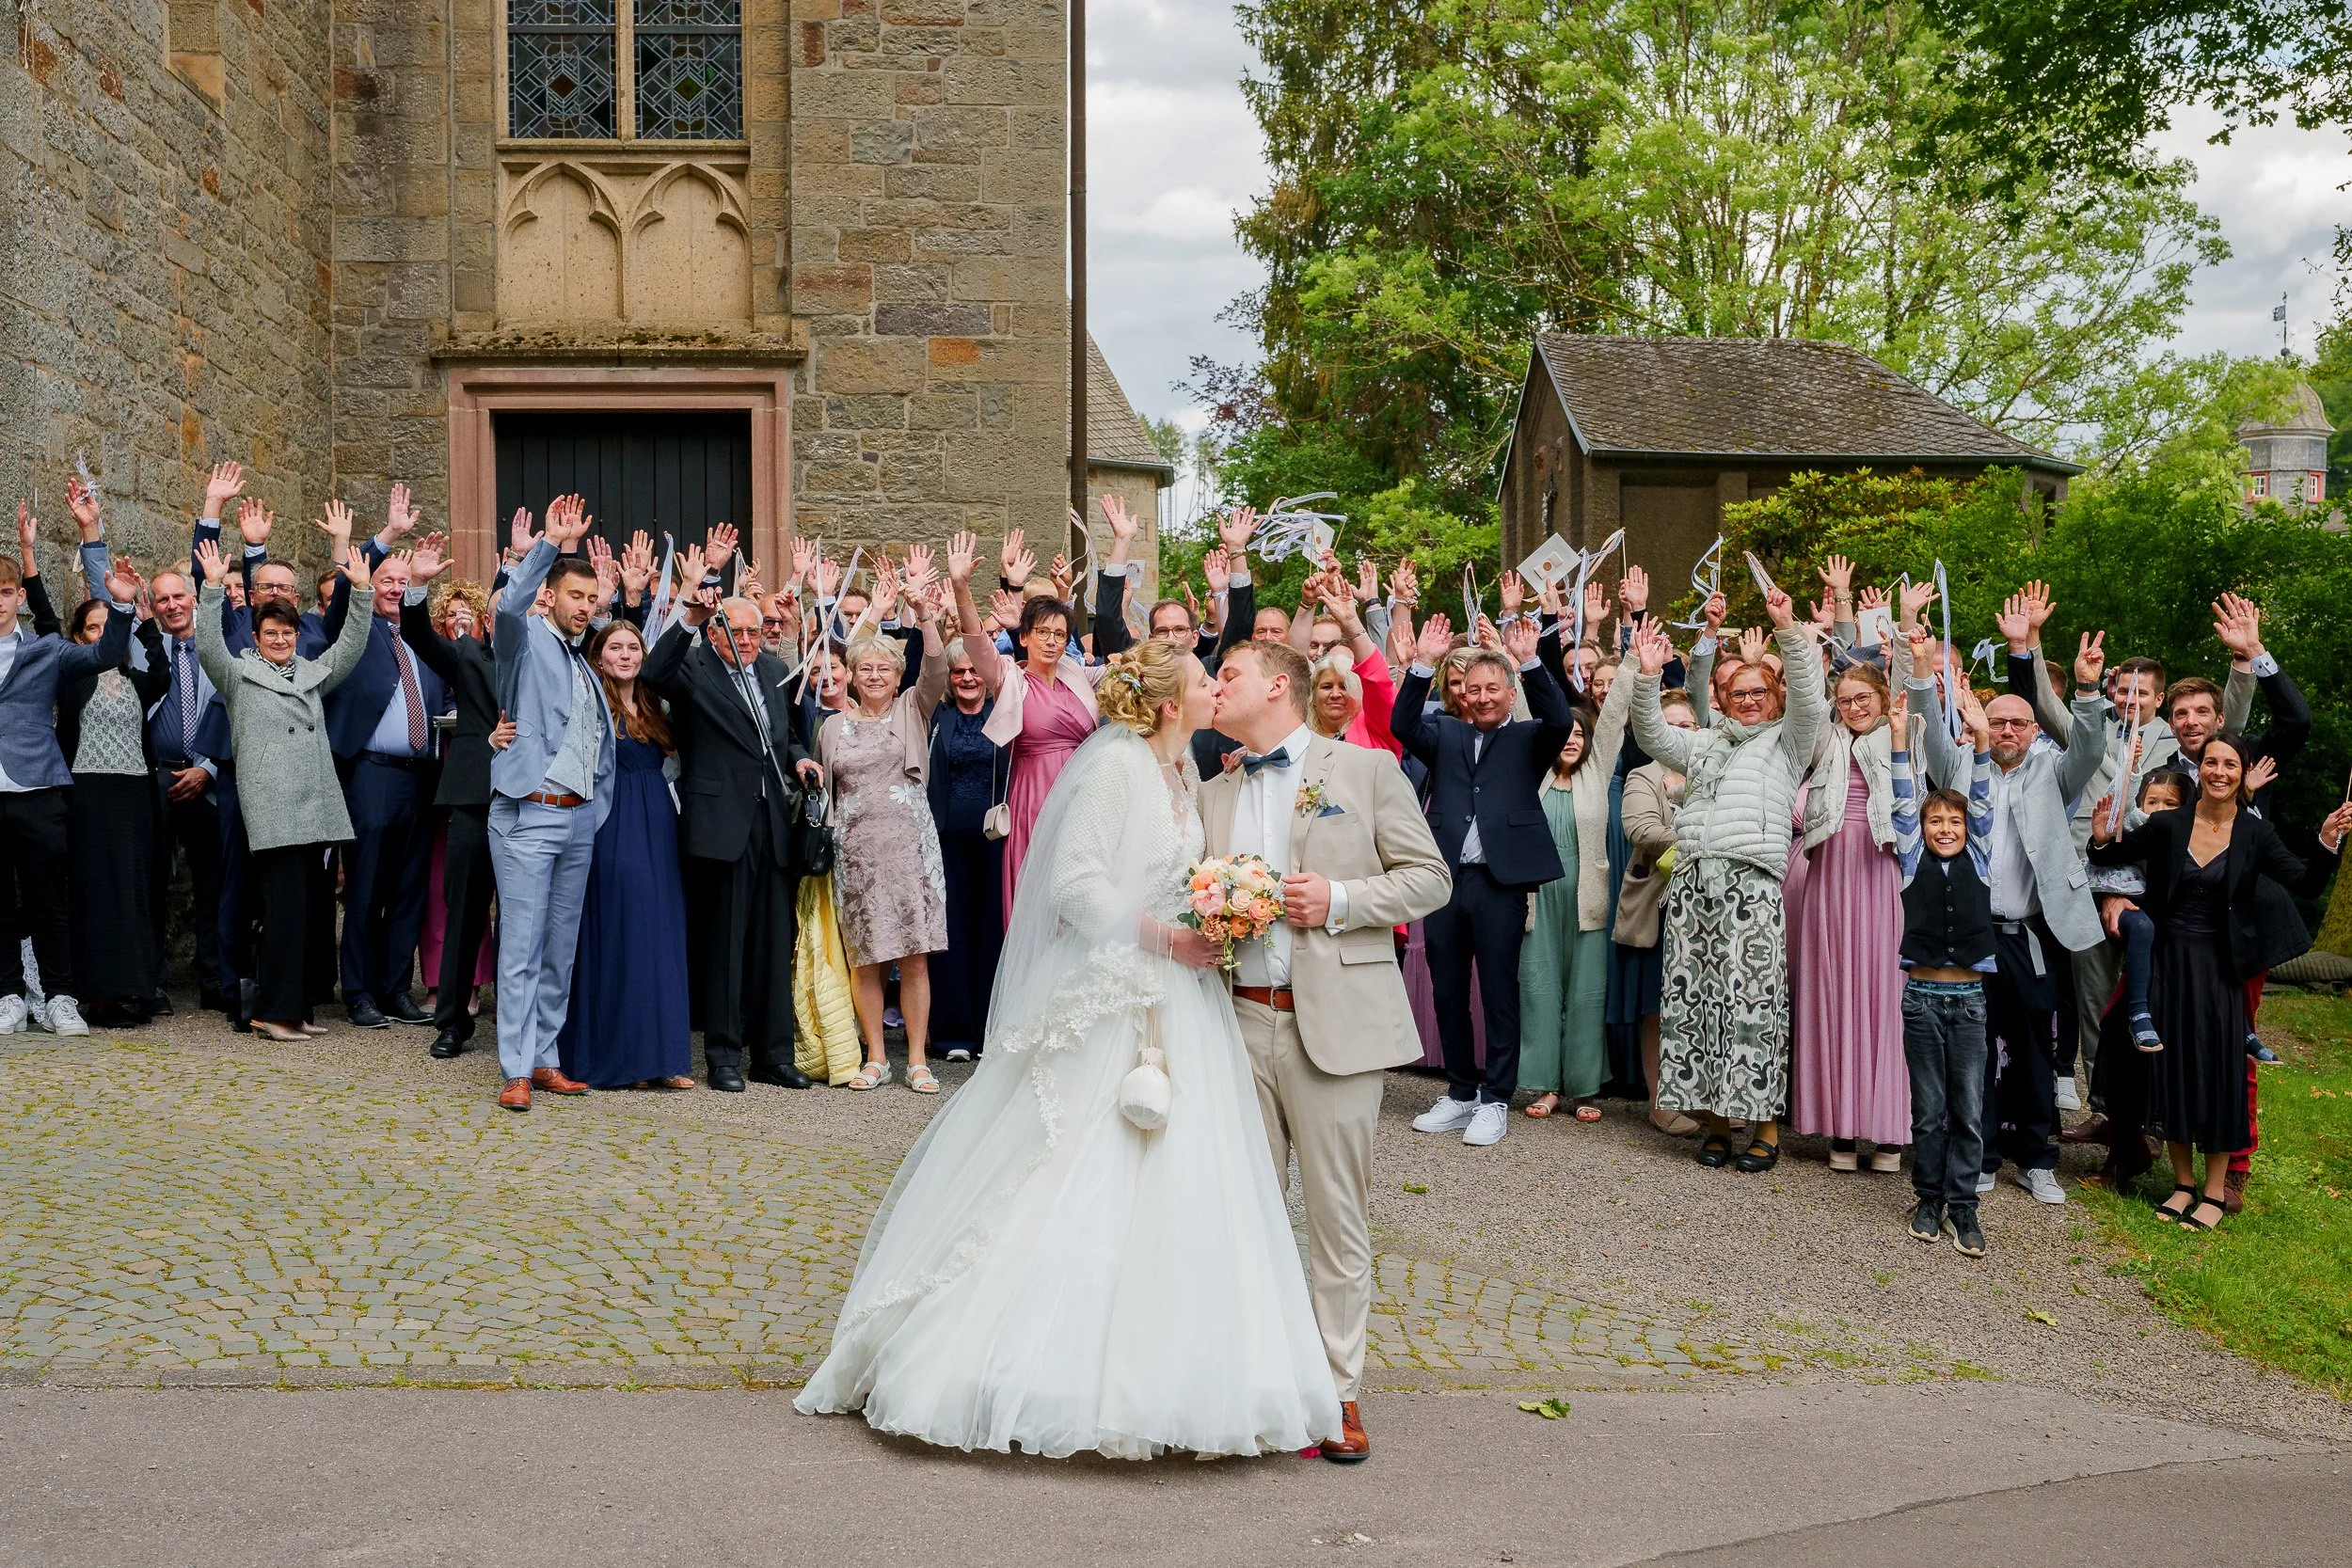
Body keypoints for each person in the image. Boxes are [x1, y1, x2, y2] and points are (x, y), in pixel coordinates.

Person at [797, 638, 1348, 1461]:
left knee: (1184, 1183)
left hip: (1181, 1001)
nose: (1211, 688)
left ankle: (1174, 1373)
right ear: (1171, 704)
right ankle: (1025, 1368)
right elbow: (1075, 886)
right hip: (1116, 992)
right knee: (1074, 1166)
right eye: (1203, 680)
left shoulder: (1184, 773)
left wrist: (1214, 918)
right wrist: (1170, 937)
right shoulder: (1119, 766)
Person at [1200, 635, 1450, 1460]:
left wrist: (1339, 897)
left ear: (1278, 685)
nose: (1215, 682)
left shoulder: (1366, 771)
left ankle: (1339, 1390)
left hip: (1334, 1026)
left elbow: (1430, 878)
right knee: (1249, 1214)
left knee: (1337, 1218)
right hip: (1234, 1021)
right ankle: (1258, 1383)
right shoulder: (1213, 791)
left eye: (1227, 671)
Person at [2088, 735, 2348, 1232]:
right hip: (2168, 963)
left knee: (2219, 1075)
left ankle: (2213, 1190)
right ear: (2200, 768)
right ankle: (2182, 1183)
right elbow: (2106, 857)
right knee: (2174, 1072)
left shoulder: (2256, 833)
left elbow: (2307, 884)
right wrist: (2101, 836)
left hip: (2222, 969)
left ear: (2241, 771)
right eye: (2211, 762)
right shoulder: (2169, 824)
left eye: (2230, 764)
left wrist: (2325, 840)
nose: (2220, 772)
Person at [1911, 619, 2110, 1206]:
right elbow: (1928, 737)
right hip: (1970, 935)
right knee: (1975, 1048)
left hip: (2028, 934)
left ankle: (2039, 1158)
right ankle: (1984, 1155)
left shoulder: (2054, 772)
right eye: (1996, 721)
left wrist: (2088, 691)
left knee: (2032, 1050)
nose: (2005, 731)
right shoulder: (1960, 769)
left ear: (2031, 731)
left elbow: (2092, 749)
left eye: (2017, 723)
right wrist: (1922, 668)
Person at [1625, 599, 1823, 1173]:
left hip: (1751, 889)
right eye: (1740, 692)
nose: (1751, 699)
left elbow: (1810, 696)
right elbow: (1652, 731)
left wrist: (1786, 631)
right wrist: (1644, 675)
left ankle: (1763, 1128)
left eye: (1761, 691)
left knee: (1752, 1008)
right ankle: (1715, 1125)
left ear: (1775, 698)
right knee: (1697, 1006)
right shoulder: (1705, 743)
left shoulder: (1789, 741)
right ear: (1723, 699)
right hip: (1691, 888)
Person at [1391, 611, 1576, 1147]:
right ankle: (1460, 1091)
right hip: (1446, 879)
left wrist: (1532, 661)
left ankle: (1496, 1098)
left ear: (1509, 693)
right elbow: (1402, 726)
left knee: (1497, 990)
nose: (1483, 696)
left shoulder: (1530, 739)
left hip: (1501, 881)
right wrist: (1422, 665)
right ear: (1462, 694)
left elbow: (1561, 719)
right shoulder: (1443, 732)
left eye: (1494, 688)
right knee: (1448, 990)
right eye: (1474, 689)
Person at [644, 562, 823, 1094]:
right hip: (721, 822)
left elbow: (786, 731)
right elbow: (654, 674)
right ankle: (723, 1055)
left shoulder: (771, 669)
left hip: (772, 819)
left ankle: (773, 1054)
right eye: (735, 631)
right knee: (725, 941)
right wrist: (689, 619)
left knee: (773, 939)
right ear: (716, 632)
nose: (746, 639)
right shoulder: (695, 666)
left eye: (752, 631)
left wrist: (798, 758)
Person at [192, 537, 375, 1041]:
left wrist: (360, 593)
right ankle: (271, 1013)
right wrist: (210, 587)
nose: (279, 640)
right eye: (271, 632)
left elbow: (350, 649)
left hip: (313, 807)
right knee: (278, 914)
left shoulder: (311, 675)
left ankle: (292, 1011)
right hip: (273, 811)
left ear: (297, 634)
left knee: (303, 916)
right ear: (256, 635)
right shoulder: (238, 674)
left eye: (287, 632)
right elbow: (208, 643)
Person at [484, 498, 609, 1112]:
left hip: (577, 817)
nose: (584, 606)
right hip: (527, 814)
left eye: (592, 598)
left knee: (560, 948)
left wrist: (594, 811)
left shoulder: (583, 661)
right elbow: (505, 606)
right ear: (553, 595)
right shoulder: (525, 638)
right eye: (575, 595)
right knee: (523, 948)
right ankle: (514, 1069)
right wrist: (548, 547)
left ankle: (546, 1056)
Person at [0, 497, 134, 1038]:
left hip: (37, 788)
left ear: (18, 598)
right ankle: (8, 994)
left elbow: (104, 657)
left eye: (5, 592)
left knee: (48, 900)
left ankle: (59, 996)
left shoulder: (46, 650)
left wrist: (120, 609)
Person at [818, 568, 951, 1094]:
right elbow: (821, 786)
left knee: (913, 957)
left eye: (885, 669)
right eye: (865, 668)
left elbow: (937, 667)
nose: (875, 676)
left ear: (899, 678)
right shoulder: (832, 726)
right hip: (854, 853)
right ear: (850, 675)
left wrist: (922, 611)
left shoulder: (912, 711)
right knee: (866, 957)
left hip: (909, 850)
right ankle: (875, 1055)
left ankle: (917, 1058)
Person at [322, 483, 448, 1030]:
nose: (394, 589)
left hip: (423, 778)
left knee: (408, 891)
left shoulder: (425, 638)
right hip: (372, 776)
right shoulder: (353, 634)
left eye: (403, 581)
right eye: (386, 581)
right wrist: (388, 535)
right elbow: (348, 593)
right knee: (367, 886)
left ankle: (396, 987)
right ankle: (359, 993)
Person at [555, 618, 694, 1090]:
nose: (626, 655)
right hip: (611, 822)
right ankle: (626, 1058)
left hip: (658, 822)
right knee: (623, 931)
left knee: (661, 934)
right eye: (615, 647)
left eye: (634, 646)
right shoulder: (590, 702)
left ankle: (663, 1057)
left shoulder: (657, 704)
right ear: (599, 657)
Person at [1788, 660, 1911, 1172]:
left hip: (1881, 865)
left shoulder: (1905, 733)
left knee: (1883, 992)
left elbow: (1912, 676)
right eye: (1845, 699)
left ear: (1883, 697)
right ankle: (1839, 1127)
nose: (1854, 707)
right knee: (1833, 989)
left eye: (1864, 697)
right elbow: (1802, 698)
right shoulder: (1825, 737)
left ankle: (1886, 1133)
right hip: (1830, 866)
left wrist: (1906, 631)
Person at [948, 531, 1107, 915]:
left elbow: (1132, 668)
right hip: (1033, 795)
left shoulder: (1079, 675)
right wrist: (960, 587)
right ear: (1024, 637)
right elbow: (976, 643)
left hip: (1081, 794)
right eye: (1043, 633)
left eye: (1059, 634)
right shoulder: (1010, 679)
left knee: (1082, 896)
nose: (1052, 641)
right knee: (1039, 903)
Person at [1890, 688, 1996, 1256]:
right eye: (1938, 821)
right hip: (1923, 1002)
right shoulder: (1911, 858)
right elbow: (1904, 801)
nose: (1947, 828)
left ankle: (1965, 1207)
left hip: (1970, 1002)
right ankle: (1928, 1198)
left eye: (1954, 820)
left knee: (1969, 1110)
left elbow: (1982, 806)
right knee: (1929, 1111)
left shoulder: (1978, 852)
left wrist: (1982, 742)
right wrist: (1901, 742)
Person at [397, 534, 499, 1059]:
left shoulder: (552, 657)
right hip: (475, 801)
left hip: (539, 803)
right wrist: (417, 584)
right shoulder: (468, 655)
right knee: (462, 911)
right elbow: (420, 638)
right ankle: (453, 1022)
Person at [1519, 673, 1634, 1121]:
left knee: (1587, 993)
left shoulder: (1597, 767)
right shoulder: (1534, 770)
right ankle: (1545, 1086)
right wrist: (1515, 662)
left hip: (1586, 898)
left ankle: (1584, 1089)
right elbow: (1525, 714)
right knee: (1539, 989)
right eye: (1563, 732)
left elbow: (1613, 719)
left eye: (1579, 732)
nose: (1571, 739)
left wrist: (1631, 665)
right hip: (1538, 898)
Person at [59, 578, 169, 1024]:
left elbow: (163, 675)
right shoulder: (71, 676)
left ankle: (135, 988)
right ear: (79, 637)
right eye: (92, 628)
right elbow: (49, 624)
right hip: (88, 796)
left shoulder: (135, 681)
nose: (104, 634)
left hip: (133, 798)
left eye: (110, 626)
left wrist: (145, 625)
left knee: (134, 890)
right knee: (97, 890)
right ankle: (99, 995)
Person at [1614, 688, 1701, 1137]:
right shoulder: (1643, 775)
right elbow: (1641, 829)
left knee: (1701, 1004)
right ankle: (1660, 1102)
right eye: (1672, 726)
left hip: (1707, 902)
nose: (1682, 733)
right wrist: (1702, 836)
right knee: (1659, 1008)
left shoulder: (1713, 768)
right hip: (1659, 904)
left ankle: (1704, 1100)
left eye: (1688, 725)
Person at [142, 564, 228, 1012]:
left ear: (194, 598)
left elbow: (237, 713)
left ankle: (213, 977)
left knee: (214, 881)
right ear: (153, 608)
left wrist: (209, 769)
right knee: (153, 880)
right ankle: (151, 980)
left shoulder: (219, 648)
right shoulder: (145, 651)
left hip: (209, 776)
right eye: (163, 600)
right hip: (158, 776)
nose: (172, 605)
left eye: (179, 596)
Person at [927, 638, 1007, 1060]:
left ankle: (986, 1028)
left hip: (997, 840)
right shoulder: (939, 719)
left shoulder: (1005, 715)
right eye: (959, 672)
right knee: (951, 933)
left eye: (974, 670)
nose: (968, 678)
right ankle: (953, 1033)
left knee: (991, 930)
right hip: (947, 842)